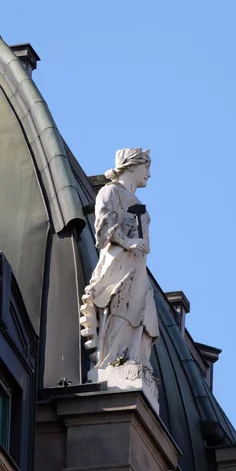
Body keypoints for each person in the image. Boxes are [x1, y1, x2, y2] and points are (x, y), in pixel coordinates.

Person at [80, 148, 159, 372]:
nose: (149, 174)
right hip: (118, 266)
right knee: (120, 308)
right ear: (131, 166)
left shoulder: (138, 202)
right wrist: (127, 242)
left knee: (142, 316)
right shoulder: (110, 191)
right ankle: (112, 361)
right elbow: (104, 224)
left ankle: (133, 359)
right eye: (146, 167)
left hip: (137, 269)